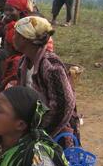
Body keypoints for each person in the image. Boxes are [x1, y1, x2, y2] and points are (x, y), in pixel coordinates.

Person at [14, 16, 80, 146]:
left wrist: (41, 134)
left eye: (16, 34)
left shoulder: (50, 66)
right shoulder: (24, 61)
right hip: (36, 121)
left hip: (55, 128)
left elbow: (64, 106)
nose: (12, 37)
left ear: (25, 39)